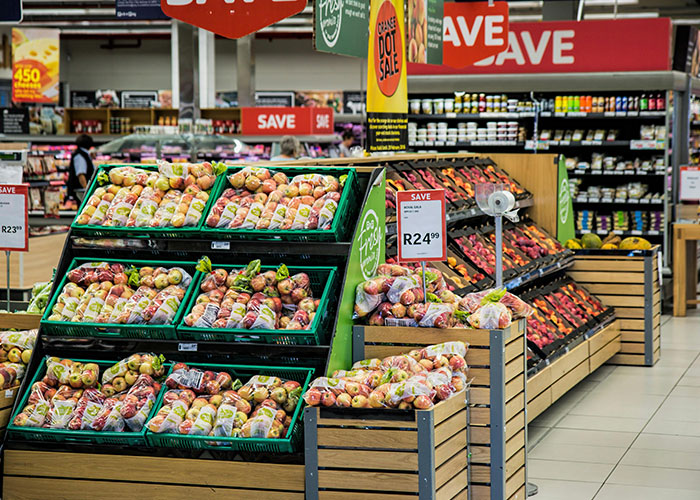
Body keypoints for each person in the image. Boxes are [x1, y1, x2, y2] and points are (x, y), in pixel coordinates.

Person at [68, 134, 95, 199]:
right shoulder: (80, 156)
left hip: (80, 191)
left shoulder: (83, 154)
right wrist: (87, 190)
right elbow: (81, 175)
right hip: (80, 192)